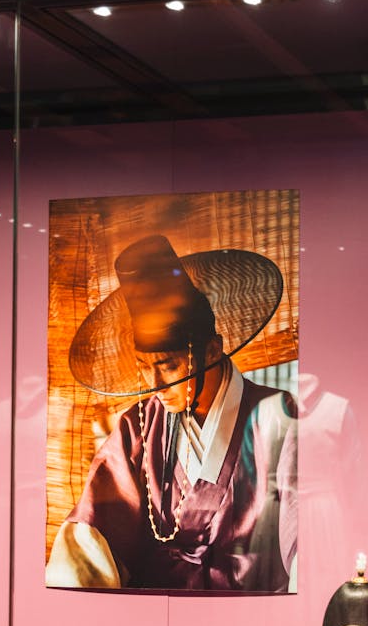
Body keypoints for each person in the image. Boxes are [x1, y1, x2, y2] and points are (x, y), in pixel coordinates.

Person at [46, 234, 297, 591]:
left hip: (251, 615)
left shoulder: (278, 418)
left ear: (212, 351)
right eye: (144, 368)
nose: (154, 384)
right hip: (151, 616)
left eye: (167, 366)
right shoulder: (140, 425)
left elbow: (305, 539)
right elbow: (92, 533)